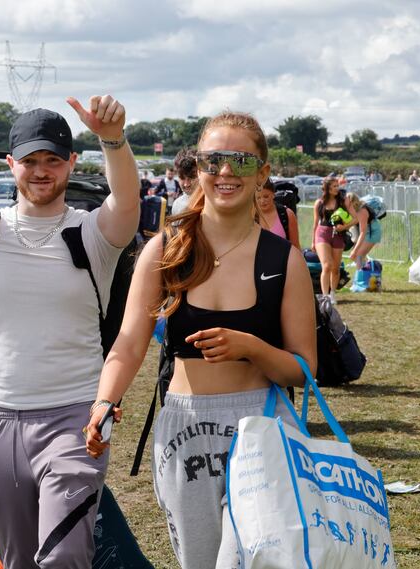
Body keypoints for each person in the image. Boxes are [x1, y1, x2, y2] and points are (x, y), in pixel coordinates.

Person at [0, 94, 140, 568]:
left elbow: (128, 199)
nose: (41, 171)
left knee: (64, 557)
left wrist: (113, 140)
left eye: (53, 160)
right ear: (11, 163)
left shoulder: (94, 233)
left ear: (73, 163)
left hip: (76, 422)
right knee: (18, 561)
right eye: (30, 160)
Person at [84, 111, 316, 568]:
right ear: (198, 168)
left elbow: (305, 369)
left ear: (262, 172)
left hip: (263, 425)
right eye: (213, 160)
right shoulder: (165, 249)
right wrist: (103, 403)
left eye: (241, 161)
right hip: (184, 429)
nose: (226, 172)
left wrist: (252, 348)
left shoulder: (283, 260)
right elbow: (128, 342)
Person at [311, 176, 357, 303]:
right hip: (322, 233)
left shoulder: (344, 201)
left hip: (338, 235)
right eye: (334, 186)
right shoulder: (319, 203)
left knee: (335, 269)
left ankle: (332, 294)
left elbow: (355, 218)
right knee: (326, 265)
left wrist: (344, 227)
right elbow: (315, 224)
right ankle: (325, 296)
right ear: (327, 188)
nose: (337, 188)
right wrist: (313, 241)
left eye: (338, 186)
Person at [257, 179, 300, 249]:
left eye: (266, 196)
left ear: (273, 194)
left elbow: (296, 247)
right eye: (258, 198)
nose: (262, 201)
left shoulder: (287, 214)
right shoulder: (249, 216)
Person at [346, 192, 381, 268]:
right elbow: (355, 222)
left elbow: (363, 232)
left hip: (372, 233)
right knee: (359, 257)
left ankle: (362, 276)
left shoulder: (362, 211)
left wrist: (355, 250)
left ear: (352, 202)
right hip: (367, 232)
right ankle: (367, 274)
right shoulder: (354, 210)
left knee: (358, 255)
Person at [170, 148, 197, 216]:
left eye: (191, 177)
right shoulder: (177, 205)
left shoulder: (213, 204)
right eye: (182, 178)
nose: (186, 184)